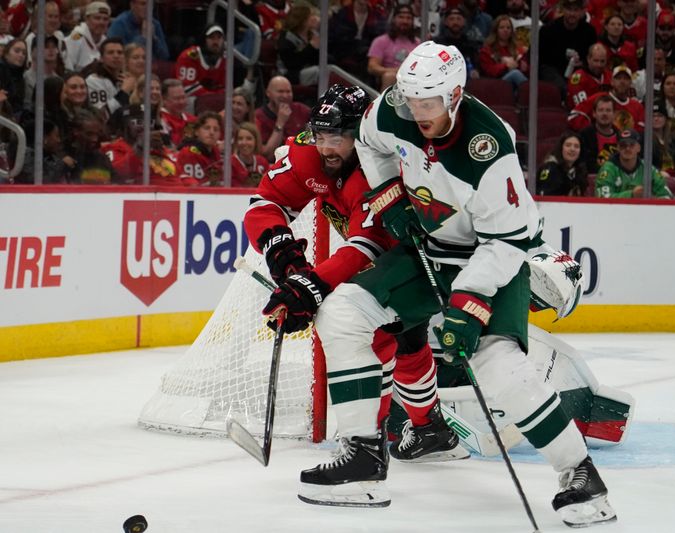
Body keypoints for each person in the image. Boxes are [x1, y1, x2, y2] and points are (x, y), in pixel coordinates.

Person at [295, 41, 616, 528]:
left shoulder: (489, 147)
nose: (417, 113)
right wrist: (388, 196)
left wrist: (467, 307)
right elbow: (368, 141)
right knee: (342, 313)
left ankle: (579, 474)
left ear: (455, 96)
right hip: (431, 247)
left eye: (429, 104)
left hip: (493, 256)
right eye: (411, 101)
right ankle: (362, 455)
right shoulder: (394, 108)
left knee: (495, 365)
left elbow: (506, 244)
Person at [247, 84, 466, 471]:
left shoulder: (379, 163)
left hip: (425, 248)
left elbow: (368, 242)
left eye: (338, 137)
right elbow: (266, 201)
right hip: (383, 249)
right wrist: (283, 254)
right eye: (321, 135)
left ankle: (367, 440)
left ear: (360, 132)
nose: (327, 147)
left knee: (375, 329)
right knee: (408, 336)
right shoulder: (307, 152)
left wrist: (312, 285)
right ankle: (428, 426)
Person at [538, 0, 597, 93]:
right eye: (569, 9)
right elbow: (542, 59)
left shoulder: (589, 31)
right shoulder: (548, 29)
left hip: (579, 70)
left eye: (576, 10)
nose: (572, 14)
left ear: (582, 11)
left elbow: (593, 56)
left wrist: (582, 63)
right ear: (563, 10)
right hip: (552, 69)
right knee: (563, 87)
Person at [595, 129, 672, 199]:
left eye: (631, 145)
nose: (627, 148)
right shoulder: (608, 169)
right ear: (617, 148)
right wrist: (631, 195)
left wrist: (650, 199)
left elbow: (667, 196)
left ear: (638, 148)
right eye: (623, 145)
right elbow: (602, 197)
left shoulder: (648, 169)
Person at [255, 75, 311, 161]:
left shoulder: (302, 111)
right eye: (280, 91)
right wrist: (280, 123)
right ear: (268, 93)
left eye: (288, 92)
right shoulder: (258, 116)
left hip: (298, 162)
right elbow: (267, 155)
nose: (285, 96)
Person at [328, 0, 386, 80]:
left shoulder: (377, 16)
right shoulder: (340, 14)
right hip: (341, 56)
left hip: (365, 59)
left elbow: (379, 40)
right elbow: (333, 38)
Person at [367, 4, 419, 91]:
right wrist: (395, 71)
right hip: (392, 79)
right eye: (401, 17)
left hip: (415, 80)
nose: (405, 21)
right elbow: (372, 67)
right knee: (389, 76)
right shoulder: (381, 41)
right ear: (394, 19)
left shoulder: (418, 43)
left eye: (408, 18)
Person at [477, 14, 529, 90]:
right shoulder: (487, 50)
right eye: (502, 27)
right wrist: (506, 66)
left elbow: (527, 70)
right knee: (515, 74)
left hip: (514, 86)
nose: (506, 30)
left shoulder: (518, 48)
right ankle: (532, 96)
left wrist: (524, 67)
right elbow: (488, 71)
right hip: (495, 84)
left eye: (508, 28)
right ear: (496, 30)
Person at [85, 37, 133, 120]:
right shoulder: (93, 80)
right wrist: (124, 92)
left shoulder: (126, 80)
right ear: (101, 58)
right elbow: (102, 114)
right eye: (110, 52)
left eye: (120, 52)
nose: (116, 56)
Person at [175, 24, 226, 97]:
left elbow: (224, 87)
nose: (215, 41)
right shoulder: (189, 56)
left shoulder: (226, 59)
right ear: (204, 40)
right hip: (187, 98)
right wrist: (210, 97)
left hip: (215, 99)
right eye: (212, 37)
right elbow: (186, 87)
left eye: (219, 38)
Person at [176, 111, 224, 186]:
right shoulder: (188, 153)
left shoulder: (217, 154)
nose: (212, 132)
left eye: (216, 129)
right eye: (207, 128)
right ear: (197, 132)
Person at [276, 4, 320, 86]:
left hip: (308, 70)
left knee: (331, 69)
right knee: (322, 72)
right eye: (311, 16)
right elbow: (292, 63)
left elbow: (318, 60)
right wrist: (311, 47)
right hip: (290, 75)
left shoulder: (313, 35)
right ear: (302, 20)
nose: (315, 18)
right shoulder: (286, 38)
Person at [64, 1, 111, 72]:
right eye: (97, 18)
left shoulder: (105, 41)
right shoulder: (76, 37)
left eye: (105, 19)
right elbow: (68, 67)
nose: (101, 22)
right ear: (87, 19)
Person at [537, 131, 588, 196]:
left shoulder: (578, 171)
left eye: (576, 146)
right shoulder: (550, 168)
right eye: (568, 145)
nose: (572, 149)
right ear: (561, 148)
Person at [578, 94, 618, 173]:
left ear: (614, 114)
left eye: (608, 110)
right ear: (594, 113)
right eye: (601, 110)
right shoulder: (584, 135)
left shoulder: (621, 137)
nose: (604, 114)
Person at [567, 43, 611, 110]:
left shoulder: (611, 76)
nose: (599, 65)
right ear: (588, 59)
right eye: (596, 61)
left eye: (602, 61)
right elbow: (581, 107)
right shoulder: (577, 78)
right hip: (582, 116)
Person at [160, 78, 196, 149]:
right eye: (176, 99)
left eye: (183, 97)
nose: (181, 102)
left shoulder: (193, 120)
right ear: (164, 100)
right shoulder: (159, 119)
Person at [230, 121, 267, 187]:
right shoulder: (230, 163)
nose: (244, 142)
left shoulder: (262, 162)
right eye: (240, 138)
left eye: (249, 139)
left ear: (256, 141)